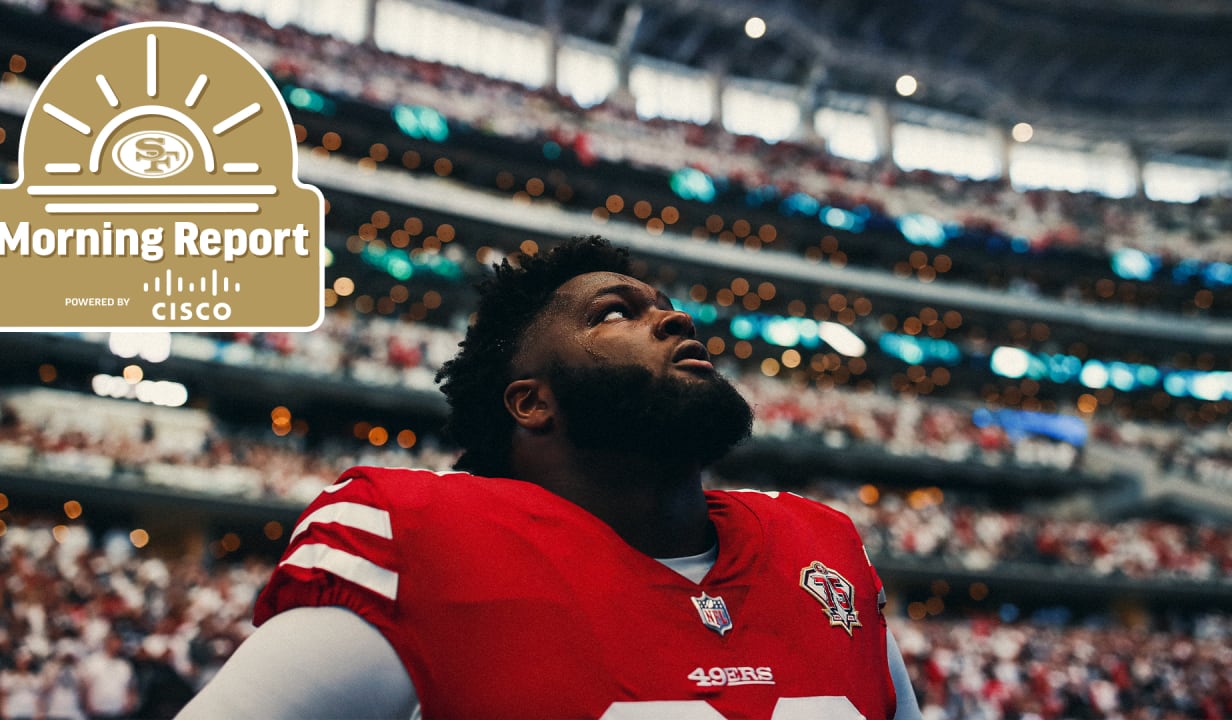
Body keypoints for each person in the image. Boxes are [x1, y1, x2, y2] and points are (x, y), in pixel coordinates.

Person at [178, 236, 921, 719]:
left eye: (664, 307)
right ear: (532, 402)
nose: (676, 321)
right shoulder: (419, 543)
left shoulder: (822, 549)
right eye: (614, 314)